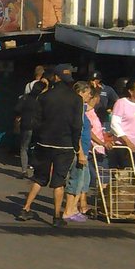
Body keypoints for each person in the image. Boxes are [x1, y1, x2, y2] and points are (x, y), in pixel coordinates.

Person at [17, 65, 83, 227]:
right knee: (59, 181)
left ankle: (25, 208)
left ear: (55, 77)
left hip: (44, 142)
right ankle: (56, 216)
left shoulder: (44, 97)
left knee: (39, 177)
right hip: (65, 145)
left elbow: (36, 121)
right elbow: (77, 125)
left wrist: (38, 139)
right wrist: (76, 146)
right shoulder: (76, 99)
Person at [62, 82, 95, 222]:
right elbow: (77, 132)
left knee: (83, 181)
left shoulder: (82, 109)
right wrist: (80, 151)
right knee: (76, 180)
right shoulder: (77, 110)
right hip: (79, 151)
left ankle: (74, 208)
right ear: (80, 93)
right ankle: (68, 210)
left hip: (85, 149)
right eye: (87, 93)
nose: (90, 96)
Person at [14, 80, 47, 179]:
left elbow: (17, 109)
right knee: (37, 148)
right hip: (39, 127)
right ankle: (36, 171)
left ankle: (24, 170)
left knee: (24, 147)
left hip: (26, 125)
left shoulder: (25, 98)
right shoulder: (42, 99)